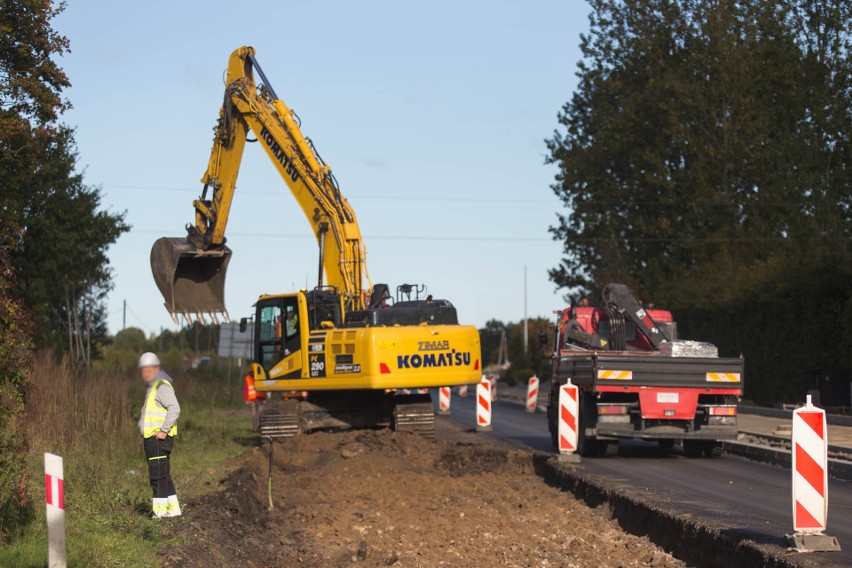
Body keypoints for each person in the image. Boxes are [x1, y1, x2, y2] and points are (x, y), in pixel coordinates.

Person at [137, 352, 181, 518]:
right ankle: (173, 511)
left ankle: (160, 514)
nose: (145, 373)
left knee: (158, 477)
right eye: (143, 370)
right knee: (164, 475)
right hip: (153, 439)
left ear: (157, 369)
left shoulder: (161, 387)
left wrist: (163, 430)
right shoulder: (154, 387)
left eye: (149, 369)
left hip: (158, 440)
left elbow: (175, 408)